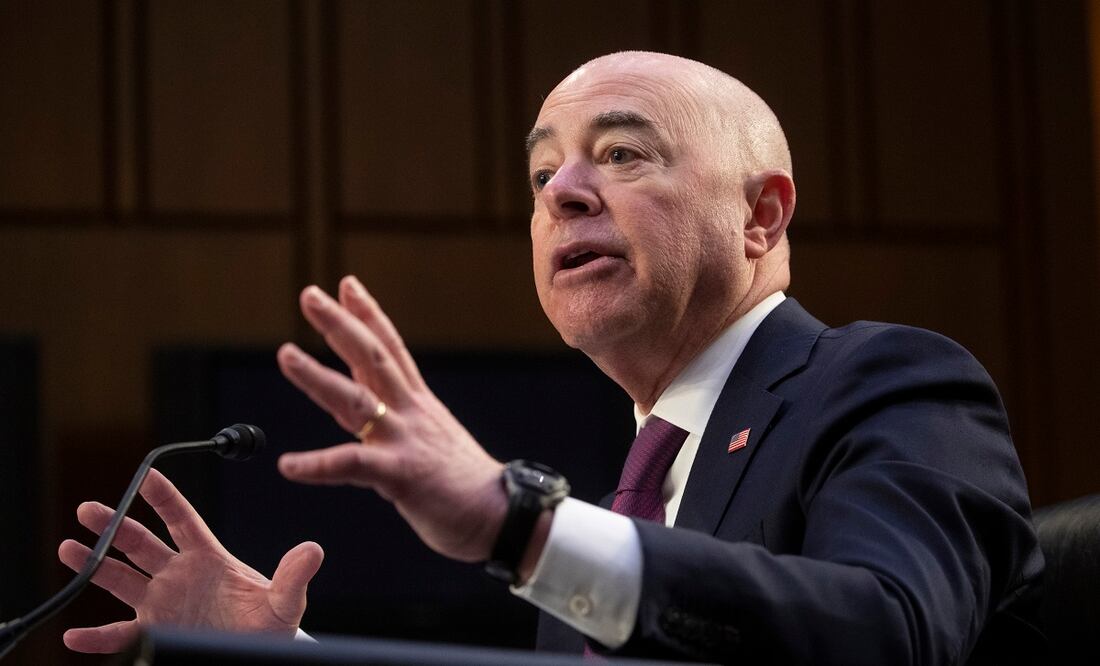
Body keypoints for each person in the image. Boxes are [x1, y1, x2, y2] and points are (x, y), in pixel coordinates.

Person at [58, 51, 1043, 664]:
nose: (562, 191)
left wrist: (517, 520)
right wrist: (290, 659)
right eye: (540, 173)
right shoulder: (620, 503)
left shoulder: (888, 382)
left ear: (760, 214)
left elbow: (892, 635)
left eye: (620, 154)